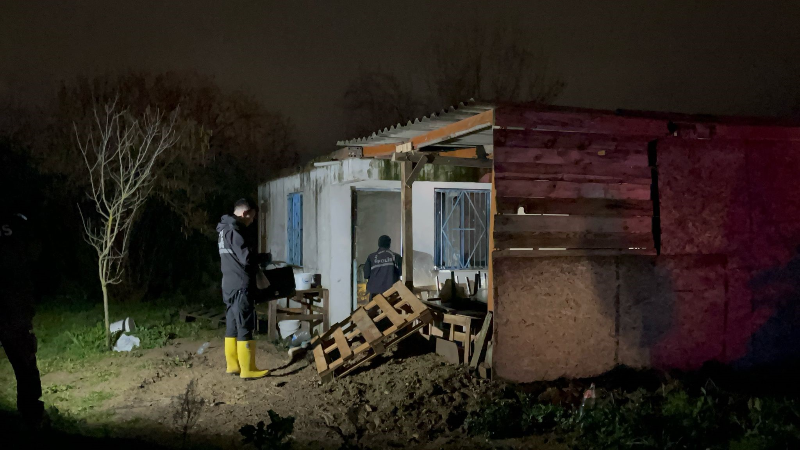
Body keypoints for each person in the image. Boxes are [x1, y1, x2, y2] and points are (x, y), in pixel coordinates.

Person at [217, 198, 272, 380]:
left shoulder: (223, 230)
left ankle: (233, 365)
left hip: (228, 284)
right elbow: (246, 258)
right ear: (245, 213)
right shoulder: (235, 230)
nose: (252, 221)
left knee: (232, 324)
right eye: (252, 217)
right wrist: (264, 258)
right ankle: (248, 369)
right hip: (241, 284)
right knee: (245, 325)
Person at [0, 209, 45, 429]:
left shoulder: (18, 221)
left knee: (24, 359)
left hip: (15, 305)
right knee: (25, 361)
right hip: (15, 306)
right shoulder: (18, 222)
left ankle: (31, 413)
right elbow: (34, 253)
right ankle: (31, 413)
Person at [363, 235, 402, 300]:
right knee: (393, 309)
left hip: (375, 292)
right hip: (392, 292)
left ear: (379, 244)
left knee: (373, 309)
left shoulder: (371, 257)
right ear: (389, 244)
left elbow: (366, 275)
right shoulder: (396, 256)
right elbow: (401, 272)